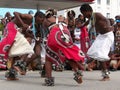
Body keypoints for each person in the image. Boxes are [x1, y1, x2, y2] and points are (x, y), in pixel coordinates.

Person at [43, 9, 85, 86]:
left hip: (54, 35)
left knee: (48, 59)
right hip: (65, 36)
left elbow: (45, 30)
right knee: (68, 55)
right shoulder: (64, 19)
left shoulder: (46, 20)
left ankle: (49, 80)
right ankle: (77, 73)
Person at [80, 4, 114, 81]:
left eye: (83, 13)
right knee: (92, 52)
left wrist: (108, 27)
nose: (83, 15)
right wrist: (81, 26)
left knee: (100, 55)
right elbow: (87, 22)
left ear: (87, 11)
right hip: (101, 36)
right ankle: (82, 67)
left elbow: (107, 20)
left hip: (107, 36)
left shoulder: (97, 15)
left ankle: (106, 76)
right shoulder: (91, 17)